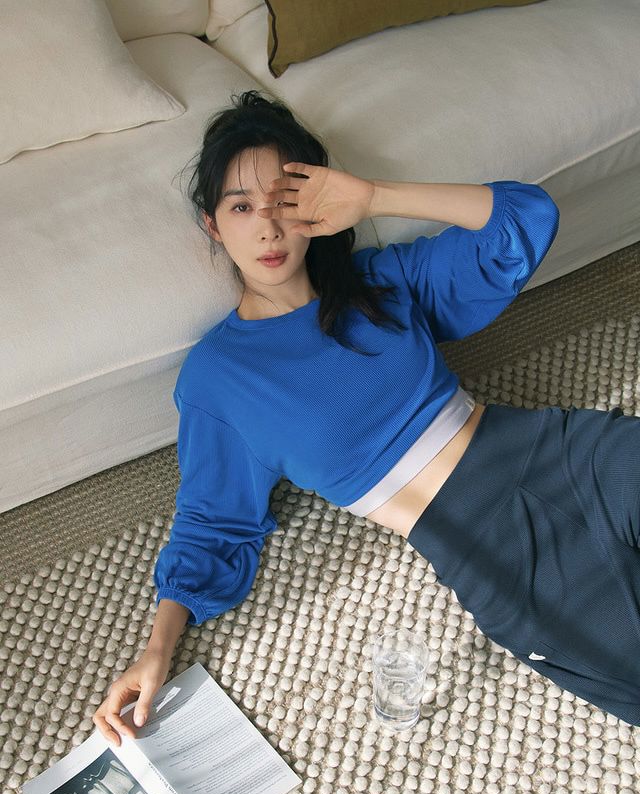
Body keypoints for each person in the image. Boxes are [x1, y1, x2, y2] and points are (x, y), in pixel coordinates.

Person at [93, 90, 640, 746]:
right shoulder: (219, 378)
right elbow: (211, 524)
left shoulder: (379, 282)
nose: (267, 229)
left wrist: (376, 197)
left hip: (563, 452)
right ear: (213, 226)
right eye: (241, 207)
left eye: (284, 201)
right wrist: (156, 651)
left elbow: (525, 218)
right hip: (493, 553)